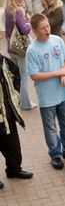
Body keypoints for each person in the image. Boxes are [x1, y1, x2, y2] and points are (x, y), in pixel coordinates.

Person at [26, 14, 65, 170]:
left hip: (63, 93)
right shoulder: (32, 50)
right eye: (43, 28)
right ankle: (55, 154)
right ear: (35, 31)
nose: (47, 30)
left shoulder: (57, 40)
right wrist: (58, 73)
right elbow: (34, 75)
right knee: (50, 127)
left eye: (48, 26)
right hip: (46, 97)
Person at [0, 43, 33, 189]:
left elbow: (16, 76)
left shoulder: (4, 62)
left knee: (13, 147)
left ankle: (14, 170)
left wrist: (15, 94)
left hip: (8, 116)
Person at [4, 0, 36, 112]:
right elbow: (25, 30)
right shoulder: (17, 11)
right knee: (24, 76)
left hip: (12, 48)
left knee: (16, 76)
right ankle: (26, 103)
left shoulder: (7, 11)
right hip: (21, 49)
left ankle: (16, 100)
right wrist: (28, 19)